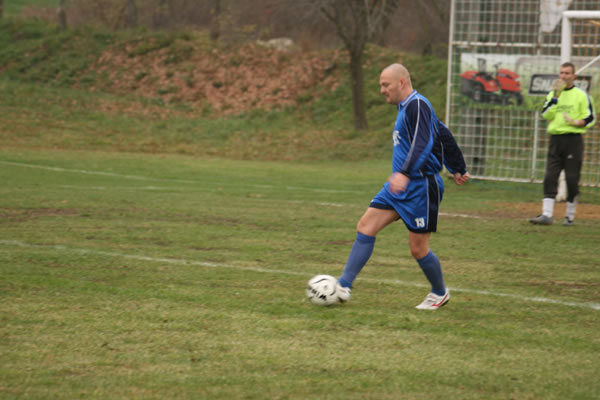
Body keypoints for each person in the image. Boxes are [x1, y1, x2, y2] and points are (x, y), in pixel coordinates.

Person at [335, 63, 469, 310]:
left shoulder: (417, 105)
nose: (382, 90)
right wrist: (457, 166)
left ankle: (439, 293)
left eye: (385, 85)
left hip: (421, 186)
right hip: (400, 186)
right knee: (366, 226)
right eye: (381, 85)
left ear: (402, 82)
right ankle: (343, 286)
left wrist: (406, 173)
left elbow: (423, 142)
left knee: (418, 249)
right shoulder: (407, 108)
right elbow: (442, 132)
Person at [529, 62, 596, 226]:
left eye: (567, 73)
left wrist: (576, 122)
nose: (563, 76)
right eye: (561, 73)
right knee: (550, 176)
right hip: (556, 140)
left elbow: (590, 117)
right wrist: (555, 98)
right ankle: (547, 214)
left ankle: (569, 216)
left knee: (572, 179)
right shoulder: (553, 94)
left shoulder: (581, 95)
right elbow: (546, 114)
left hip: (573, 140)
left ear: (574, 76)